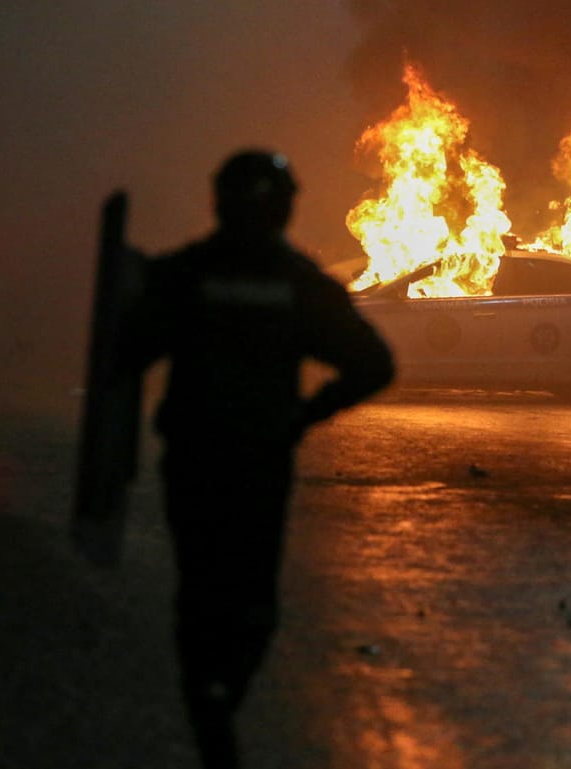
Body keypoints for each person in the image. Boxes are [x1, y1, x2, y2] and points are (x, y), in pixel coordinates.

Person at [127, 150, 395, 769]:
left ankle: (208, 702)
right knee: (252, 599)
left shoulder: (186, 274)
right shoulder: (298, 284)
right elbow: (374, 364)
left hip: (193, 461)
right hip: (258, 464)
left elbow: (127, 350)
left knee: (198, 591)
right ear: (284, 209)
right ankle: (223, 696)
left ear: (217, 201)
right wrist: (302, 418)